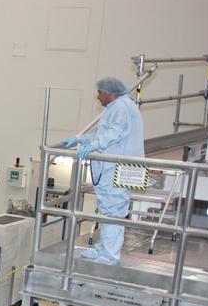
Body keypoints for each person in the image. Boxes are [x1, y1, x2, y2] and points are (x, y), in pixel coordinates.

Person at [57, 76, 145, 265]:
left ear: (111, 93)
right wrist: (81, 139)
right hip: (116, 168)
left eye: (100, 92)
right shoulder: (118, 107)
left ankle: (109, 255)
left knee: (113, 211)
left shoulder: (121, 107)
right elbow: (104, 133)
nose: (98, 97)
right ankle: (104, 249)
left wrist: (94, 144)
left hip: (118, 168)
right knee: (108, 210)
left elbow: (113, 133)